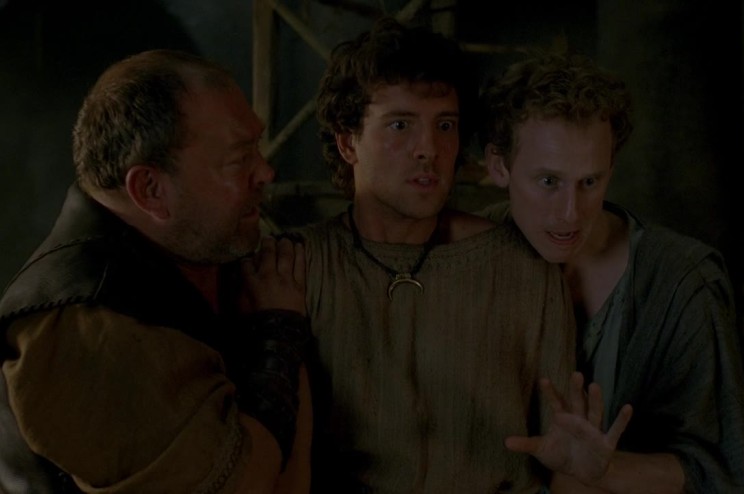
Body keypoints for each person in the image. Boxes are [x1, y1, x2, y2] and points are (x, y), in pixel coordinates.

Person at [0, 49, 312, 493]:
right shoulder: (86, 327)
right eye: (238, 159)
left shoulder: (186, 255)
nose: (265, 171)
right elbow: (239, 485)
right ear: (150, 189)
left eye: (256, 147)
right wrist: (278, 332)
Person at [298, 17, 578, 493]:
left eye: (445, 125)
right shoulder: (300, 265)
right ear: (348, 142)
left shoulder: (522, 269)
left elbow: (564, 453)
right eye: (400, 125)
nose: (428, 148)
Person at [478, 48, 744, 493]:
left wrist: (605, 470)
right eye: (548, 181)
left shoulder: (681, 281)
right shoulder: (467, 254)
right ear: (498, 166)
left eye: (590, 182)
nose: (571, 213)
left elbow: (717, 471)